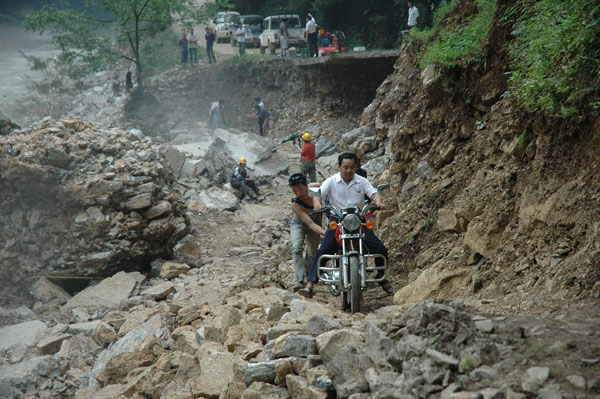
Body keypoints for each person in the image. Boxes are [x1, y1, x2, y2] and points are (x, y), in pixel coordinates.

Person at [298, 153, 395, 299]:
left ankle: (381, 276)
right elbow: (318, 193)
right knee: (323, 250)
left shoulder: (361, 181)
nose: (349, 170)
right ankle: (310, 284)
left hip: (358, 222)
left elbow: (374, 193)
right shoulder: (331, 182)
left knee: (380, 249)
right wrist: (317, 204)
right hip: (338, 222)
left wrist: (378, 202)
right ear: (339, 167)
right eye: (345, 167)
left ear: (355, 167)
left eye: (352, 167)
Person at [288, 173, 326, 292]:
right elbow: (310, 224)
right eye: (294, 191)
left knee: (313, 250)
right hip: (299, 222)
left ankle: (309, 271)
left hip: (316, 219)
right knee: (297, 247)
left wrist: (318, 204)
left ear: (306, 186)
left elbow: (316, 200)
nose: (298, 194)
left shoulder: (313, 188)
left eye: (300, 189)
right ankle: (300, 279)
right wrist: (327, 234)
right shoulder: (295, 204)